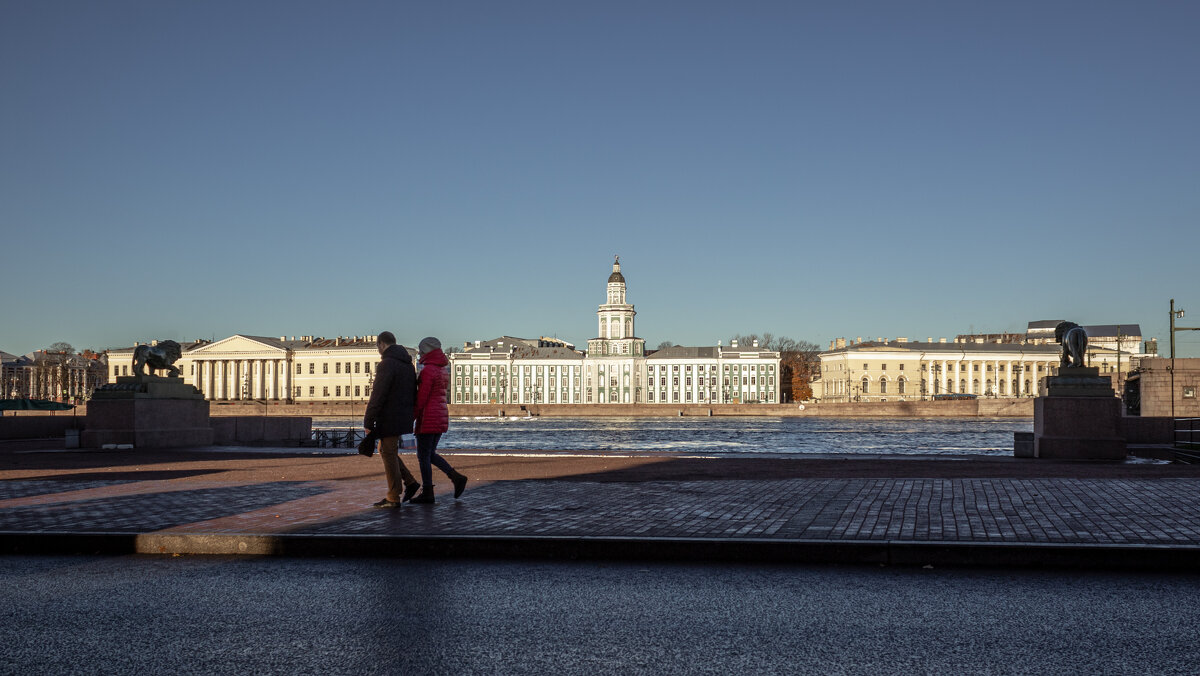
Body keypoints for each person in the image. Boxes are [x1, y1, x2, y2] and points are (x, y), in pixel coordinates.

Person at [363, 331, 421, 508]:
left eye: (377, 347)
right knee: (386, 449)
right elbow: (414, 393)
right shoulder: (408, 364)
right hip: (403, 415)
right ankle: (410, 482)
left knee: (387, 452)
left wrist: (368, 420)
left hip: (388, 417)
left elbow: (378, 395)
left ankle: (393, 496)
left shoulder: (386, 364)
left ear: (381, 344)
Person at [409, 336, 467, 504]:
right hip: (440, 416)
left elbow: (422, 398)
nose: (419, 353)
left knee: (423, 456)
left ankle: (428, 492)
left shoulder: (428, 370)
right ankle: (455, 478)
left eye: (421, 350)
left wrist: (411, 417)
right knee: (429, 454)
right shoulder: (442, 369)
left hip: (429, 417)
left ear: (427, 351)